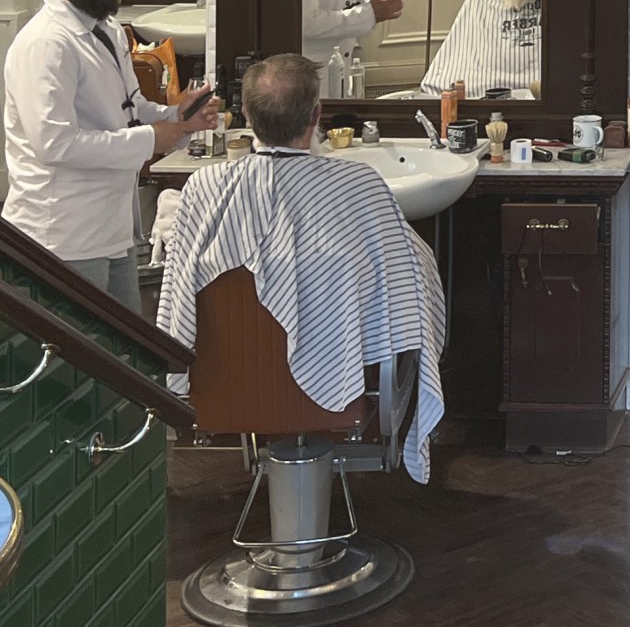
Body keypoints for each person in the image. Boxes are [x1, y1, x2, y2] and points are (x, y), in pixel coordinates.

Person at [155, 54, 447, 481]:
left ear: (249, 117)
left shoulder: (204, 188)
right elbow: (406, 294)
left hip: (228, 388)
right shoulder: (359, 185)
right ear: (317, 115)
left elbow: (177, 305)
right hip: (343, 393)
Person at [2, 0, 219, 310]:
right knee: (80, 356)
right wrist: (154, 138)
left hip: (112, 225)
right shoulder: (45, 44)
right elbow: (54, 144)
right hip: (63, 233)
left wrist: (178, 115)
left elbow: (129, 109)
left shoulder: (108, 28)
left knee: (124, 349)